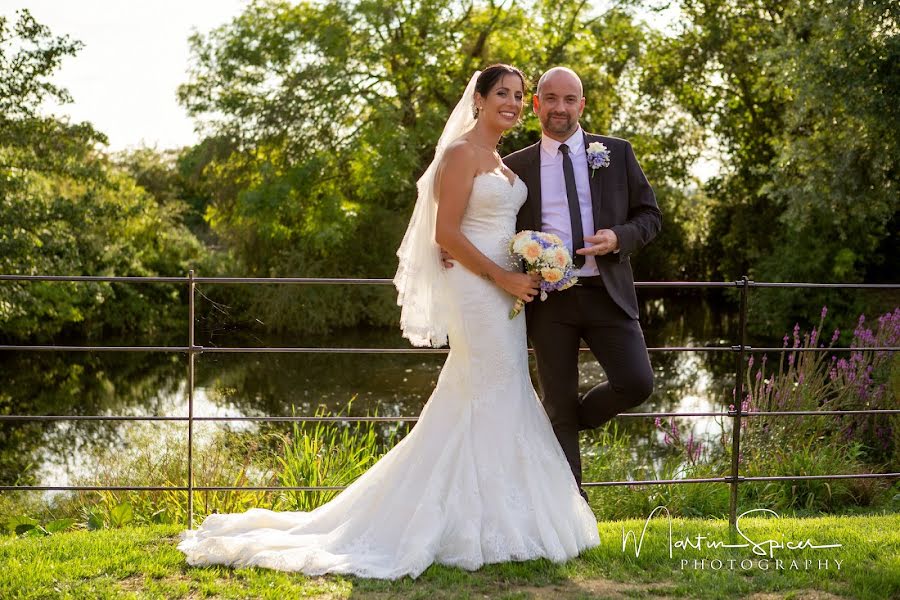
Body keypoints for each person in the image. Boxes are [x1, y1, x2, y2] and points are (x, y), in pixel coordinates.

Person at [177, 65, 599, 579]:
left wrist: (530, 260)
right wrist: (501, 276)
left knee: (500, 390)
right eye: (502, 94)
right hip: (479, 289)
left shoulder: (500, 160)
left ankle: (500, 516)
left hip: (504, 288)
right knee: (487, 389)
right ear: (480, 100)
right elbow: (445, 234)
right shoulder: (460, 154)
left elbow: (490, 224)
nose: (511, 102)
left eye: (517, 95)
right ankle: (463, 521)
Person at [504, 67, 661, 499]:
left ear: (582, 104)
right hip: (550, 303)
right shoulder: (514, 167)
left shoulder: (617, 153)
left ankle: (572, 418)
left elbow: (650, 216)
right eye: (550, 99)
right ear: (536, 105)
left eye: (569, 99)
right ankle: (573, 508)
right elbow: (499, 231)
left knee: (637, 382)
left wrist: (618, 238)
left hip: (606, 291)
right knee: (556, 405)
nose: (560, 108)